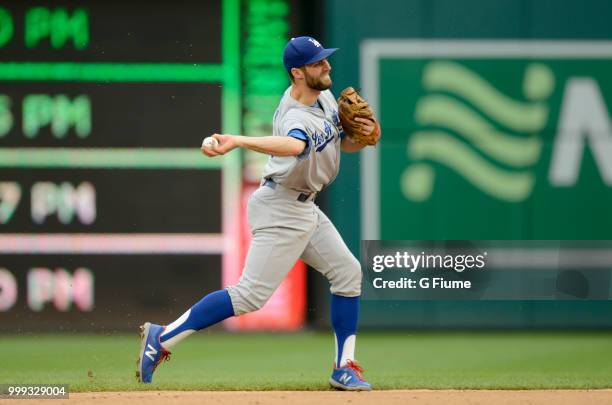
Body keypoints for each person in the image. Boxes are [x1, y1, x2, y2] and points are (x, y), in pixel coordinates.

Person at [137, 36, 381, 391]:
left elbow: (343, 140)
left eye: (325, 59)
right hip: (281, 208)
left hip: (304, 206)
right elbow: (295, 145)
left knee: (347, 272)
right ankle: (162, 339)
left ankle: (343, 368)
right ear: (297, 73)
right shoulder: (295, 115)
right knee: (250, 296)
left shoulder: (324, 97)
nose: (326, 66)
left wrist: (366, 135)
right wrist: (238, 140)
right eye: (317, 63)